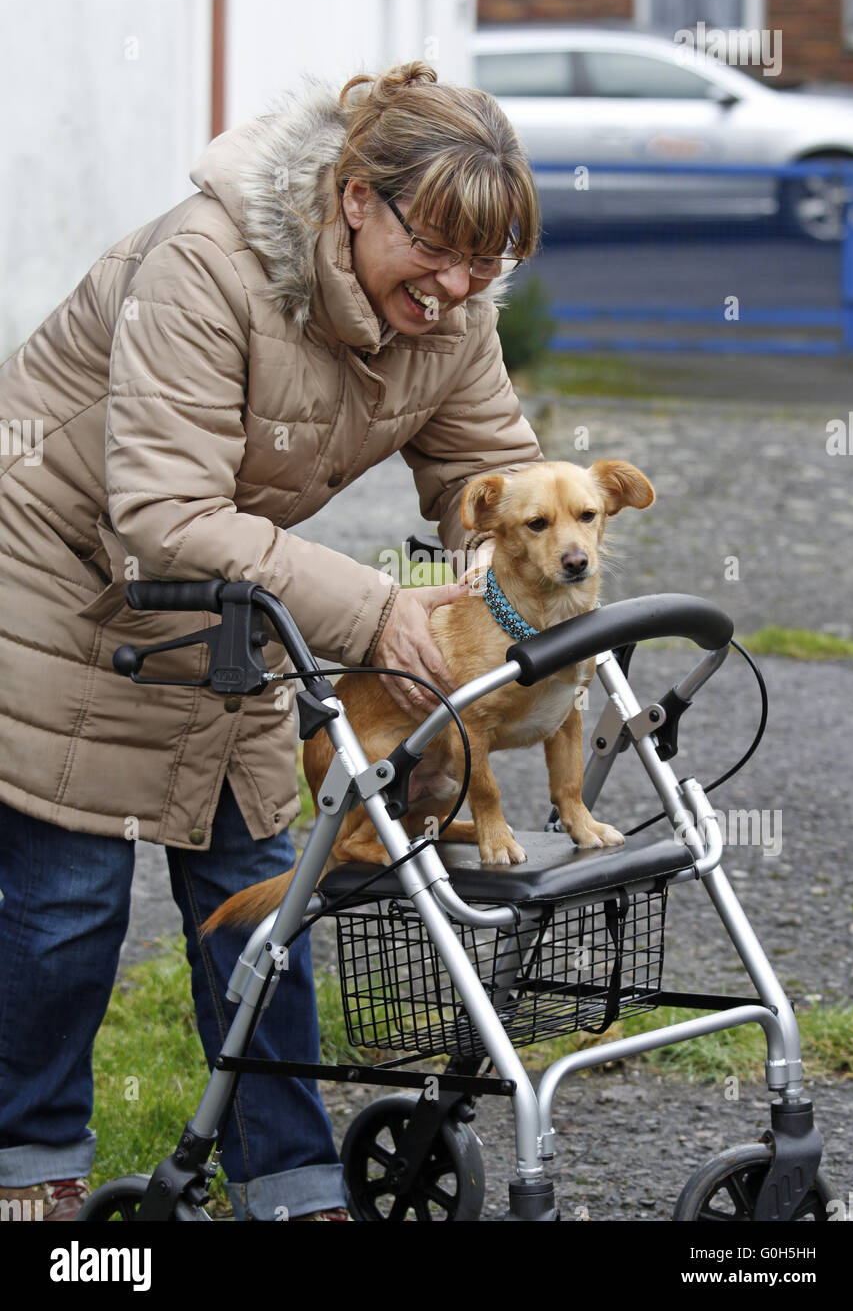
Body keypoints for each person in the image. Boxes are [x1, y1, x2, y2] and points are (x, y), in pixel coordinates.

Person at [0, 61, 543, 1221]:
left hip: (236, 603)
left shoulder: (447, 313)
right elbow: (161, 517)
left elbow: (483, 470)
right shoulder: (202, 268)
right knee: (66, 909)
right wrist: (374, 608)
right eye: (436, 248)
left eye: (483, 264)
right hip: (61, 588)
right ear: (354, 197)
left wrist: (500, 549)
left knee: (259, 900)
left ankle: (290, 1180)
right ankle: (30, 1165)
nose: (453, 289)